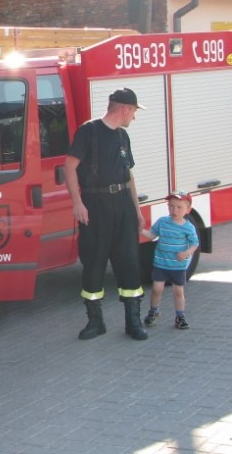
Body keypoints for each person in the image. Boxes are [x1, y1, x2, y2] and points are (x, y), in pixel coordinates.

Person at [64, 88, 148, 341]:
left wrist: (137, 210)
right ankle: (95, 322)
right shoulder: (89, 131)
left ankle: (133, 322)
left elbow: (128, 175)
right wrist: (77, 203)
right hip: (96, 205)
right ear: (125, 109)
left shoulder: (123, 136)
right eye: (134, 111)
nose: (134, 117)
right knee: (94, 263)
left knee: (129, 263)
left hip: (122, 204)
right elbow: (69, 166)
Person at [141, 191, 199, 330]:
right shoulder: (162, 222)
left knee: (178, 291)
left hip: (178, 266)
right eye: (171, 206)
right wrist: (140, 230)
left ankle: (180, 316)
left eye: (179, 207)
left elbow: (194, 244)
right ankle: (153, 312)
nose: (174, 210)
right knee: (157, 289)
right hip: (161, 264)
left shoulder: (188, 227)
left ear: (188, 209)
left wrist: (186, 253)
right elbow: (151, 235)